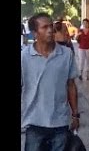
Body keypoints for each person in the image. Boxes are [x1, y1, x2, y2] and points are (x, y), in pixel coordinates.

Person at [21, 13, 80, 151]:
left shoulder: (66, 54)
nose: (50, 30)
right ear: (35, 33)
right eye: (44, 27)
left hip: (60, 122)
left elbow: (71, 86)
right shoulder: (24, 57)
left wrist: (75, 115)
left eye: (51, 26)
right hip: (34, 122)